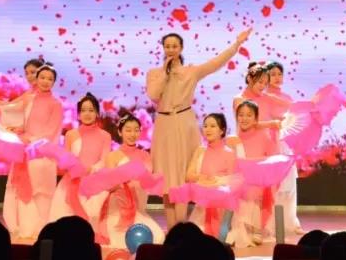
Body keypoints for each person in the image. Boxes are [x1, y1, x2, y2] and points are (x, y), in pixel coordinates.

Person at [146, 28, 251, 228]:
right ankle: (171, 229)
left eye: (174, 46)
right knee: (167, 178)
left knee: (183, 175)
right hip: (164, 125)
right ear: (163, 49)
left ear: (181, 48)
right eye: (167, 46)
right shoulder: (154, 74)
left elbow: (216, 63)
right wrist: (164, 74)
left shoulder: (191, 71)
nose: (171, 49)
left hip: (184, 122)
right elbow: (153, 94)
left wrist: (236, 44)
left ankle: (181, 227)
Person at [2, 64, 63, 240]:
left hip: (42, 155)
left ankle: (40, 229)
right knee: (20, 188)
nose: (45, 81)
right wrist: (17, 130)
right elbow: (13, 113)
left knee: (40, 191)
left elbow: (52, 131)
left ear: (54, 82)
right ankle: (21, 226)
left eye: (50, 79)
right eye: (42, 77)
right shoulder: (29, 99)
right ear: (37, 79)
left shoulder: (55, 104)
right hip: (23, 151)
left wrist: (32, 141)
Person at [95, 114, 165, 247]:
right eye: (128, 130)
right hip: (118, 209)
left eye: (136, 130)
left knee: (157, 235)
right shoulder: (113, 156)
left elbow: (147, 181)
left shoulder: (145, 155)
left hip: (139, 207)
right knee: (118, 241)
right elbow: (110, 185)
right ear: (120, 132)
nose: (132, 134)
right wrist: (125, 178)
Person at [228, 100, 282, 246]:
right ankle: (237, 227)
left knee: (253, 187)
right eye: (241, 115)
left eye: (249, 115)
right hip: (238, 178)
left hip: (259, 178)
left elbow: (273, 158)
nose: (244, 118)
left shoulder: (263, 136)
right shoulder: (234, 138)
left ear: (256, 119)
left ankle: (256, 228)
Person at [51, 93, 112, 221]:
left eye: (91, 110)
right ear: (78, 114)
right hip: (71, 182)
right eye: (83, 110)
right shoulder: (71, 134)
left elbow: (104, 160)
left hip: (94, 182)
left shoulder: (105, 136)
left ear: (97, 113)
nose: (87, 114)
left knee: (91, 220)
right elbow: (66, 159)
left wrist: (91, 169)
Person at [184, 113, 240, 240]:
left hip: (222, 205)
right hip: (203, 204)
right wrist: (202, 178)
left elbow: (233, 181)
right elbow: (189, 176)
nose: (208, 129)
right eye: (205, 126)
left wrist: (217, 182)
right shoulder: (200, 150)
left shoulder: (229, 153)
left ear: (222, 130)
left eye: (213, 126)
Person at [265, 61, 303, 234]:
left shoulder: (287, 97)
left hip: (285, 142)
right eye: (272, 74)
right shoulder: (262, 97)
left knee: (289, 182)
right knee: (272, 184)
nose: (277, 77)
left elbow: (295, 117)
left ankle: (291, 222)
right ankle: (269, 223)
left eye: (279, 74)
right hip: (268, 141)